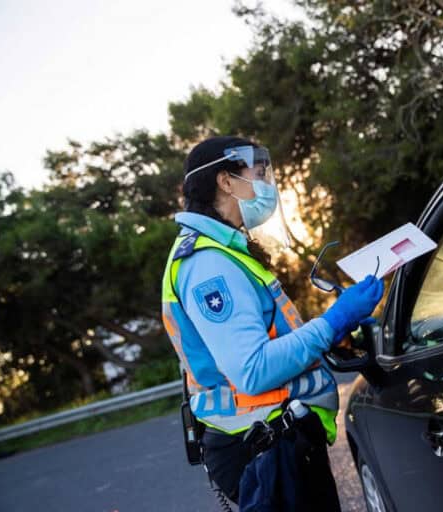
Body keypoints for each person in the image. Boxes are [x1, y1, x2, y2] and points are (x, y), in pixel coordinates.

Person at [160, 136, 384, 510]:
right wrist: (332, 322)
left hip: (272, 438)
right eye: (259, 173)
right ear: (226, 181)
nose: (267, 184)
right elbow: (253, 369)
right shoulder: (208, 264)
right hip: (261, 446)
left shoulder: (224, 251)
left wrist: (331, 335)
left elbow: (267, 337)